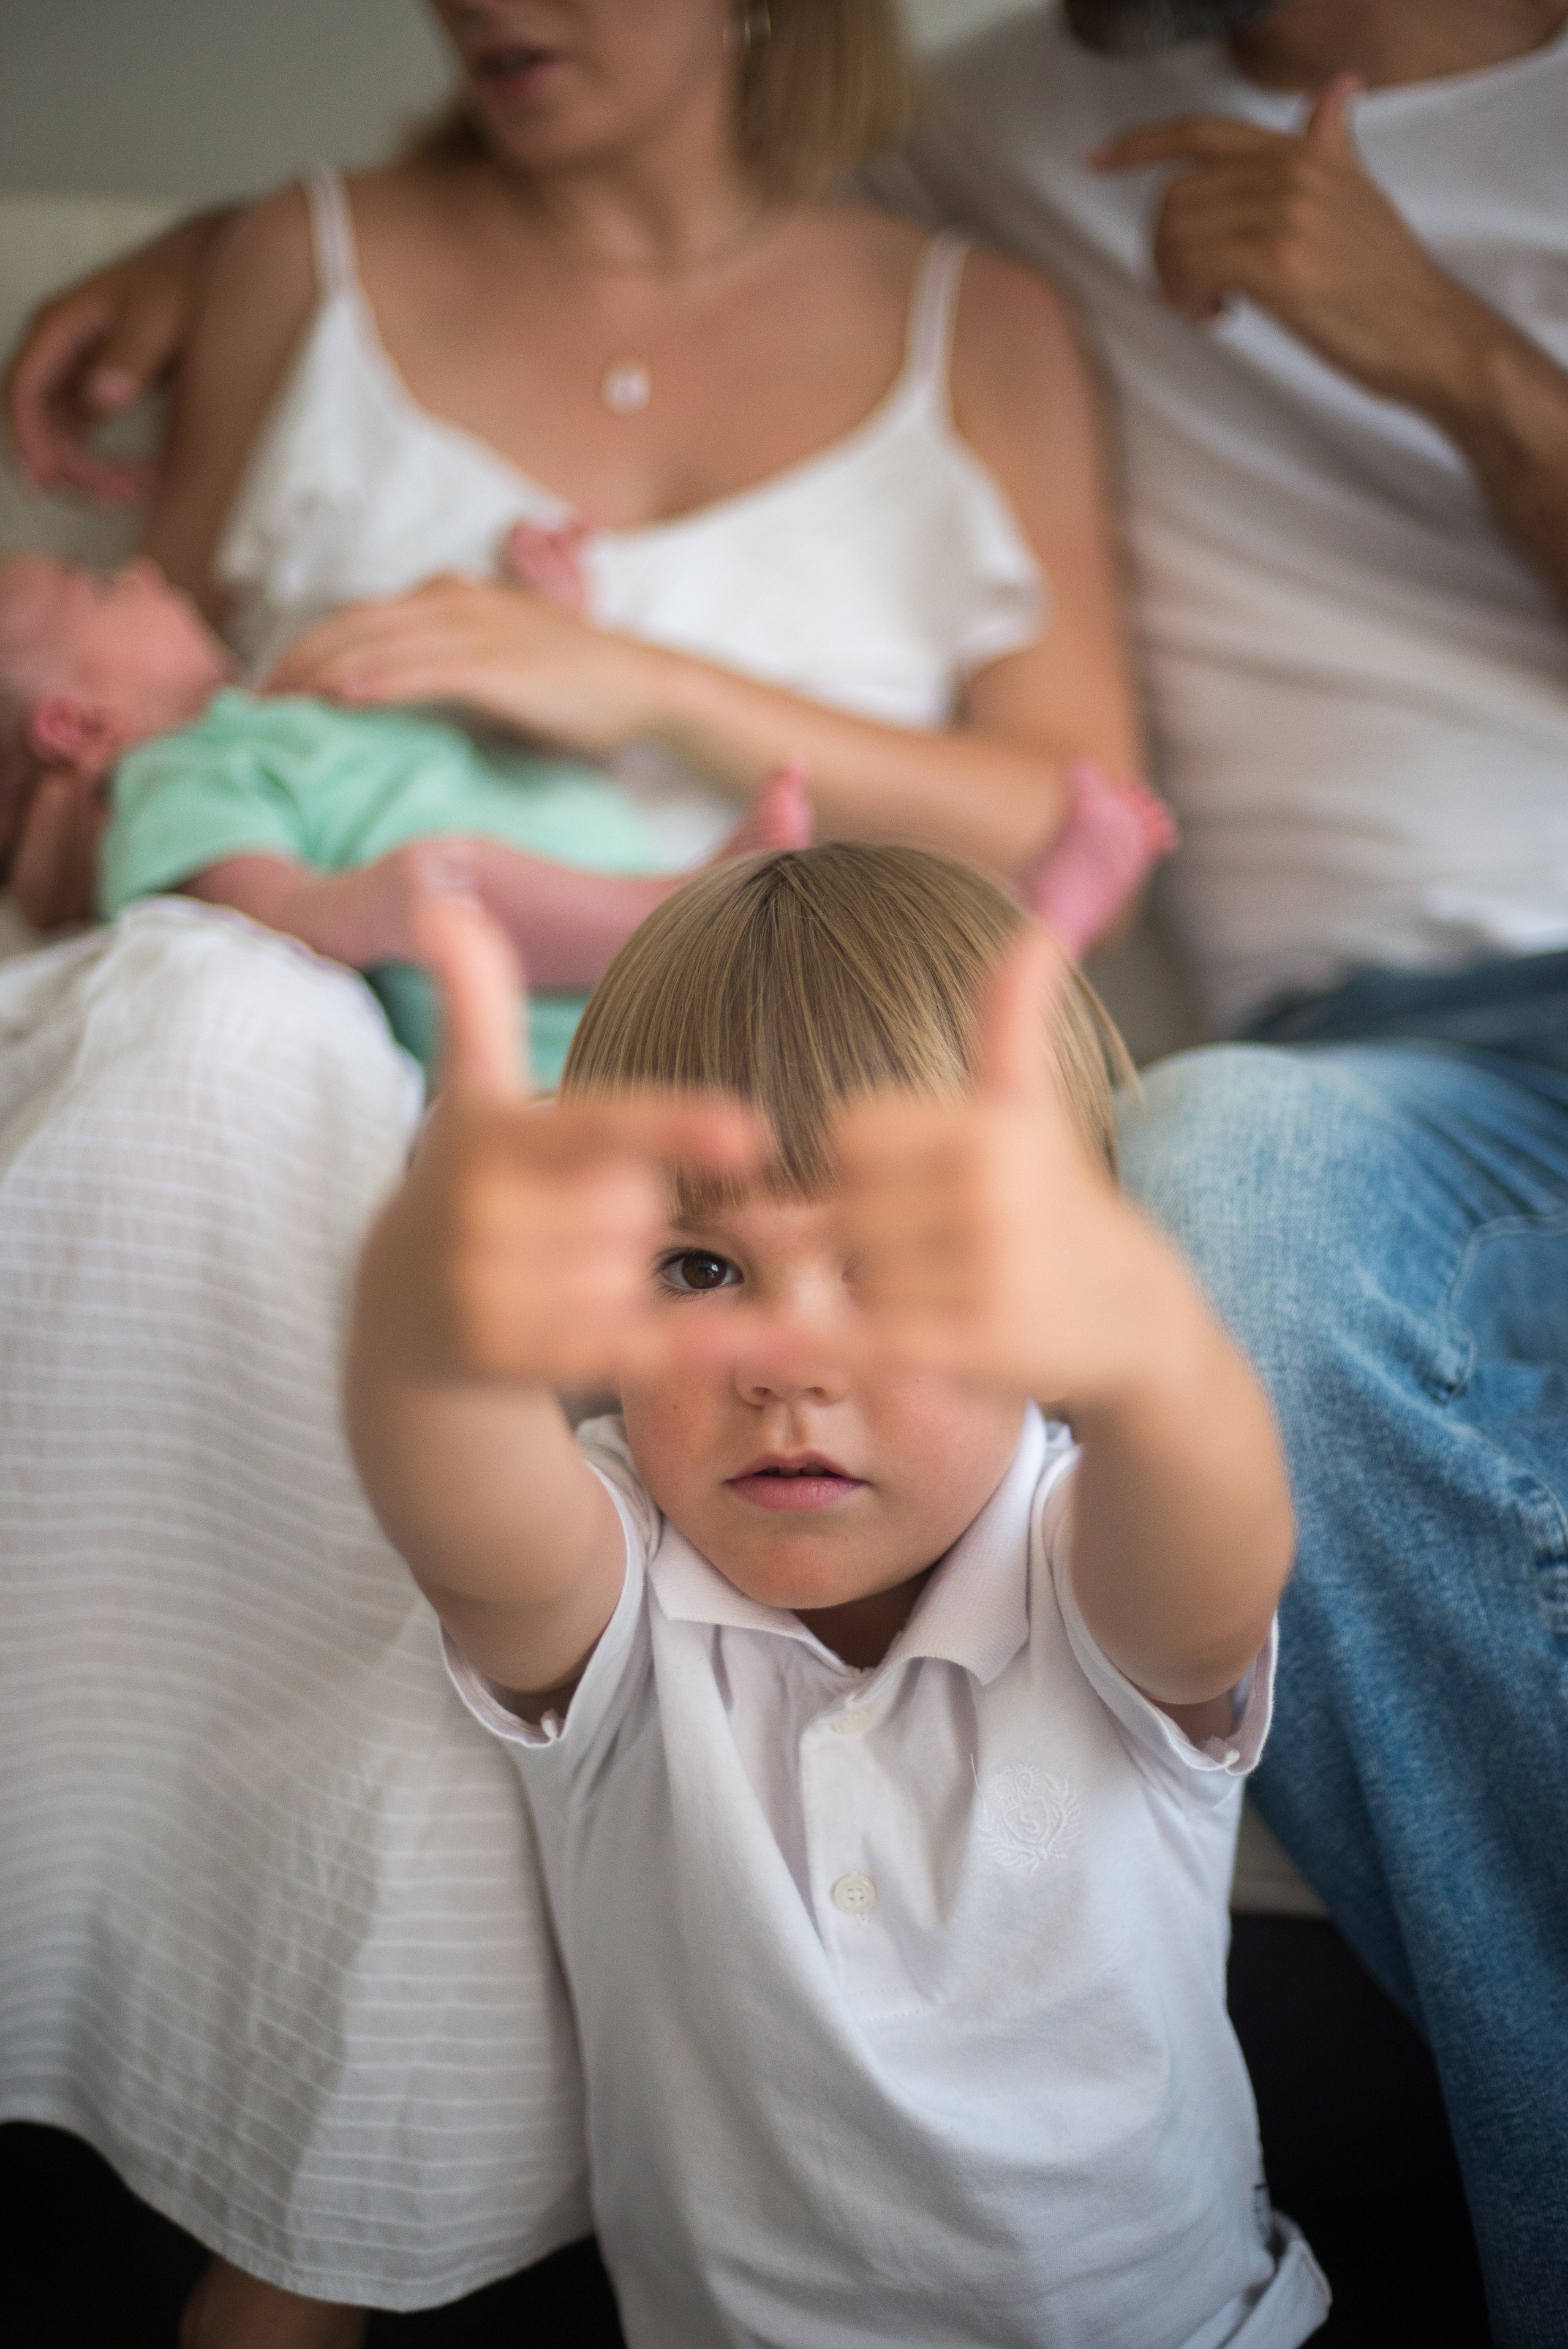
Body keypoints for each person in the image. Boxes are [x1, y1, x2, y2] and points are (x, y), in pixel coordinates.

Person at [0, 6, 1153, 2343]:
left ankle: (312, 2215)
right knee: (242, 1045)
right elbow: (182, 760)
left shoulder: (977, 311)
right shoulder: (298, 264)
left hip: (747, 1078)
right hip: (328, 1082)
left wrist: (630, 678)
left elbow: (1073, 809)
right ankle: (275, 2157)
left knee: (603, 1287)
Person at [346, 845, 1327, 2349]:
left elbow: (1210, 1576)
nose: (785, 1362)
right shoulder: (623, 1594)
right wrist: (427, 1316)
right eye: (695, 1266)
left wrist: (1150, 1353)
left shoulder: (1083, 1552)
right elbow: (468, 1516)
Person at [0, 549, 812, 1084]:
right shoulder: (172, 775)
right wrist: (367, 906)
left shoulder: (281, 709)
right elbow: (244, 907)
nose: (143, 569)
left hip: (605, 925)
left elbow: (485, 734)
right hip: (523, 1001)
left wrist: (546, 622)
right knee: (444, 873)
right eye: (105, 589)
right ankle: (684, 916)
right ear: (79, 724)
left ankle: (689, 917)